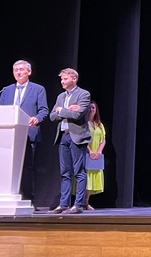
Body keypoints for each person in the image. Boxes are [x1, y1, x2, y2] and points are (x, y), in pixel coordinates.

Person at [0, 60, 49, 203]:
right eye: (16, 70)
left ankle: (28, 199)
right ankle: (7, 196)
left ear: (29, 72)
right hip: (8, 134)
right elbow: (0, 111)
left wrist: (37, 118)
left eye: (21, 70)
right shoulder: (6, 90)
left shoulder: (38, 89)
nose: (19, 72)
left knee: (26, 168)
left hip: (28, 133)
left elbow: (44, 110)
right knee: (7, 166)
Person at [48, 68, 91, 214]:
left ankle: (78, 204)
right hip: (63, 136)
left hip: (77, 136)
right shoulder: (61, 97)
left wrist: (62, 110)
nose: (62, 82)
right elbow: (52, 116)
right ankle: (64, 204)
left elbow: (78, 115)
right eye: (61, 79)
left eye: (65, 79)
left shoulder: (83, 94)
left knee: (79, 171)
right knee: (65, 172)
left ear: (74, 79)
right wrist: (66, 110)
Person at [83, 101, 105, 210]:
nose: (92, 110)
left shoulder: (99, 125)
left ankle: (86, 202)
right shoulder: (84, 124)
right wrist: (90, 151)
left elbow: (103, 139)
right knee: (86, 179)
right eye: (90, 108)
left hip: (96, 156)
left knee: (92, 180)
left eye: (93, 108)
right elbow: (82, 139)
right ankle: (84, 203)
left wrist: (99, 151)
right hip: (87, 154)